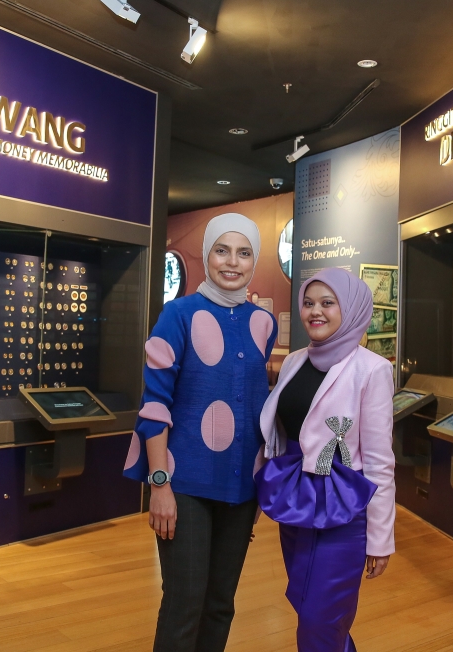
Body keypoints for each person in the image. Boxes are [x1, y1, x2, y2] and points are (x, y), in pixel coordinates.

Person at [123, 213, 277, 652]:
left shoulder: (263, 323)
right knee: (184, 603)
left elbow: (256, 407)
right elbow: (154, 406)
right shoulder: (178, 314)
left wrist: (261, 487)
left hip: (240, 486)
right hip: (183, 484)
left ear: (254, 260)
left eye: (243, 253)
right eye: (222, 250)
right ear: (207, 255)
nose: (232, 262)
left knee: (221, 604)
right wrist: (159, 485)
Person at [255, 267, 395, 652]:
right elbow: (277, 438)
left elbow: (380, 461)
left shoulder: (373, 369)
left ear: (349, 309)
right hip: (296, 503)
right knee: (306, 606)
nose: (315, 311)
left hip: (344, 510)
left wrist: (380, 539)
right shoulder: (294, 361)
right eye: (308, 303)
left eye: (327, 303)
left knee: (321, 619)